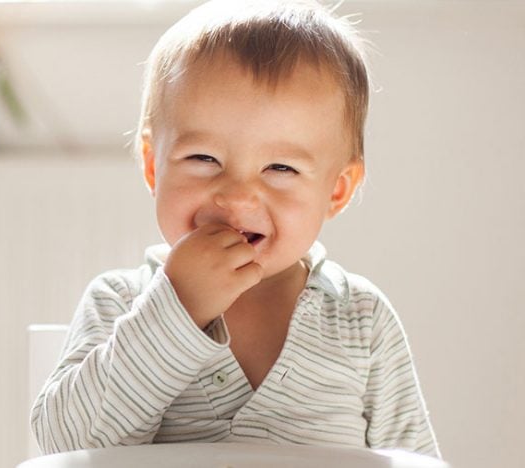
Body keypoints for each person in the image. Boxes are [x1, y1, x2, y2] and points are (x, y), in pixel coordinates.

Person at [31, 0, 441, 458]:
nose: (238, 197)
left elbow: (415, 461)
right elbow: (64, 447)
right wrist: (177, 308)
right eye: (204, 159)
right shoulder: (119, 302)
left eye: (280, 167)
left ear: (337, 191)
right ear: (152, 166)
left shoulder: (361, 320)